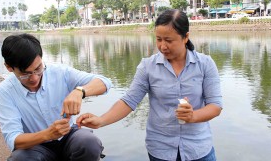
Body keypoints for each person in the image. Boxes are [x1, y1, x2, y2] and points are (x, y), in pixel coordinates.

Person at [77, 9, 222, 161]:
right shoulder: (148, 66)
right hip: (161, 149)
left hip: (198, 149)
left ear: (186, 37)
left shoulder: (205, 64)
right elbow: (129, 101)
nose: (163, 46)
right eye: (159, 39)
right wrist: (101, 120)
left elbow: (215, 106)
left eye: (169, 40)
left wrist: (193, 116)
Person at [0, 33, 113, 161]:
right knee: (20, 158)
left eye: (38, 68)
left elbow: (104, 82)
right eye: (25, 73)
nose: (34, 78)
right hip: (35, 145)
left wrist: (80, 91)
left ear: (41, 58)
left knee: (89, 142)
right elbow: (13, 139)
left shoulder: (60, 73)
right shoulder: (5, 91)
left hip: (69, 136)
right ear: (9, 67)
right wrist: (47, 134)